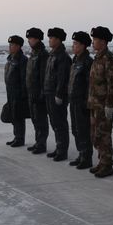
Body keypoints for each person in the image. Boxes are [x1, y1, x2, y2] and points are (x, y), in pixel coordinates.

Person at [87, 26, 113, 178]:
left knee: (104, 135)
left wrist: (110, 104)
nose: (93, 43)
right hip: (94, 104)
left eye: (96, 40)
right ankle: (101, 161)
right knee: (96, 135)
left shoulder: (109, 59)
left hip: (104, 105)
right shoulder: (98, 58)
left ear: (103, 41)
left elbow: (112, 84)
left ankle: (107, 164)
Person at [43, 27, 72, 161]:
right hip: (49, 93)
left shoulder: (63, 57)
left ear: (59, 40)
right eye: (49, 38)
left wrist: (59, 94)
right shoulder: (52, 55)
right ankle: (58, 147)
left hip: (57, 95)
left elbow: (62, 78)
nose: (50, 40)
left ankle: (62, 150)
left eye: (52, 38)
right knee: (54, 122)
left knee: (60, 123)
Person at [68, 31, 94, 169]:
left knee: (83, 129)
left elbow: (89, 84)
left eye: (76, 43)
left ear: (83, 46)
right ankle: (80, 153)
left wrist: (86, 102)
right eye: (73, 43)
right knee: (75, 129)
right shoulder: (75, 60)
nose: (73, 46)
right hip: (73, 101)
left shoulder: (87, 62)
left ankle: (86, 157)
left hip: (81, 102)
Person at [25, 28, 50, 154]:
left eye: (32, 39)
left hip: (39, 93)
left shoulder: (43, 54)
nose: (29, 41)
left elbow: (43, 76)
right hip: (31, 92)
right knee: (35, 119)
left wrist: (41, 93)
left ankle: (42, 144)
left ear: (38, 39)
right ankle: (37, 141)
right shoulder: (33, 53)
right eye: (28, 39)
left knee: (41, 119)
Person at [4, 35, 28, 147]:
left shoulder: (22, 60)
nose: (10, 47)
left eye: (13, 45)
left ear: (18, 46)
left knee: (18, 116)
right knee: (13, 115)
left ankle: (20, 138)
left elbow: (24, 78)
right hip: (10, 92)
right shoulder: (10, 58)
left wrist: (23, 94)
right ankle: (16, 136)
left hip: (18, 93)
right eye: (10, 45)